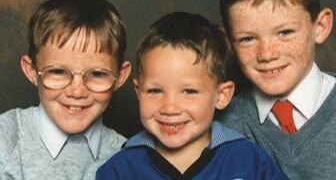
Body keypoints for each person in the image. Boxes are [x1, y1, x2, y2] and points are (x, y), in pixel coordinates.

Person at [217, 0, 336, 179]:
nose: (266, 54)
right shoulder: (221, 127)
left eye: (285, 33)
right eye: (248, 39)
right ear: (229, 43)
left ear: (320, 27)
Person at [96, 12, 288, 179]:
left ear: (221, 95)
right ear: (138, 92)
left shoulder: (248, 160)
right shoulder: (119, 170)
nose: (169, 108)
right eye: (155, 91)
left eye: (189, 91)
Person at [0, 0, 131, 179]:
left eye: (97, 74)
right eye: (58, 72)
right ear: (31, 70)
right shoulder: (5, 140)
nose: (77, 91)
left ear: (120, 76)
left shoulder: (128, 158)